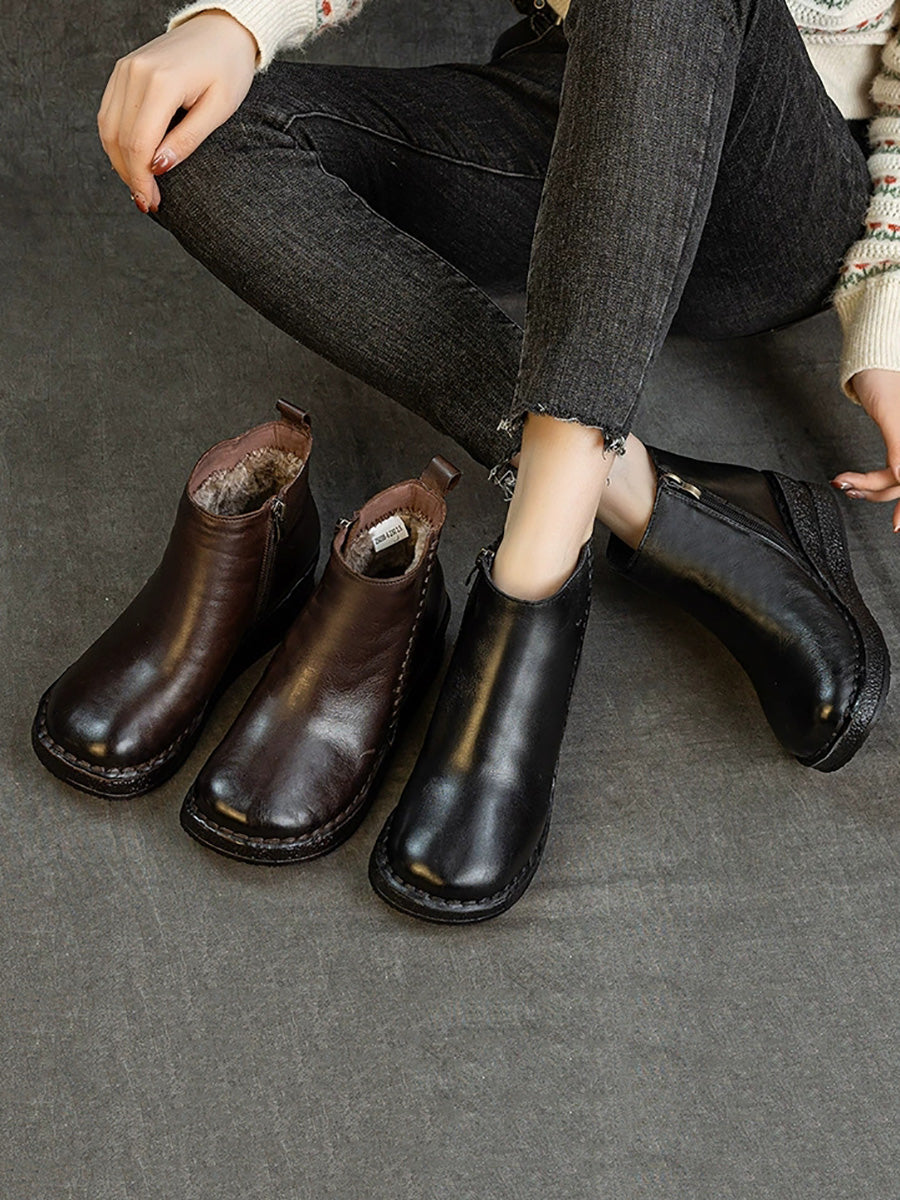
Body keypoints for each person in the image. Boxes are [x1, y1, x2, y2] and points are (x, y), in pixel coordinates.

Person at [71, 0, 899, 919]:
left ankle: (535, 566)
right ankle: (643, 494)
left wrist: (891, 331)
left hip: (777, 181)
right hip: (579, 111)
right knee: (200, 143)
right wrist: (239, 23)